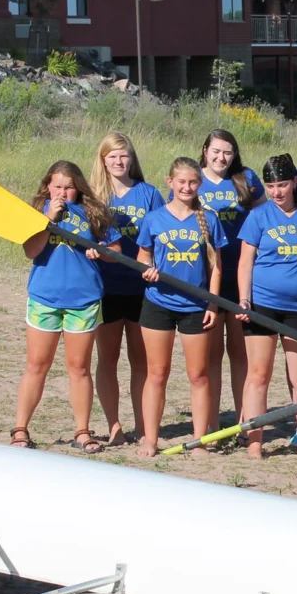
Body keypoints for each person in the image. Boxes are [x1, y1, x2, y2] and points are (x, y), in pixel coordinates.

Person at [11, 161, 120, 454]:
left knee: (79, 368)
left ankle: (82, 432)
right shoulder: (37, 210)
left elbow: (116, 252)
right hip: (45, 298)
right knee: (37, 365)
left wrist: (103, 252)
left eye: (69, 187)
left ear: (78, 187)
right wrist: (49, 219)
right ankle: (20, 428)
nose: (63, 192)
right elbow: (30, 250)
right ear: (48, 186)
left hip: (83, 300)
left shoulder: (91, 211)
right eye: (57, 186)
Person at [235, 154, 297, 461]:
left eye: (282, 184)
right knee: (258, 375)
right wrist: (244, 299)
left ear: (295, 182)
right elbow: (245, 262)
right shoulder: (259, 216)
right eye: (270, 186)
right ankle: (254, 444)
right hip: (262, 306)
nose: (277, 192)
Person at [135, 157, 225, 457]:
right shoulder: (154, 218)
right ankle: (150, 438)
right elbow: (143, 255)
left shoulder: (209, 219)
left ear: (199, 184)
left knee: (199, 375)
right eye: (182, 182)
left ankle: (199, 439)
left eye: (193, 182)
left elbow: (215, 267)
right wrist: (145, 269)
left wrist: (212, 302)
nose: (187, 187)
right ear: (169, 182)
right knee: (157, 373)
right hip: (158, 303)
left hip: (196, 306)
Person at [91, 132, 164, 447]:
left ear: (132, 158)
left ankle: (143, 425)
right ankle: (114, 426)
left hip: (141, 289)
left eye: (124, 155)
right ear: (103, 160)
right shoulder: (93, 197)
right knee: (107, 359)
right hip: (106, 287)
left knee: (142, 361)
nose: (119, 162)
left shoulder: (148, 194)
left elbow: (164, 234)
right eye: (112, 156)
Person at [196, 128, 265, 429]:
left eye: (228, 152)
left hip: (241, 275)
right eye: (216, 150)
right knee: (210, 357)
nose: (221, 157)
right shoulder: (192, 178)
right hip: (206, 277)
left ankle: (243, 423)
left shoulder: (246, 178)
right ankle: (211, 425)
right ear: (205, 150)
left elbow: (266, 216)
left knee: (240, 355)